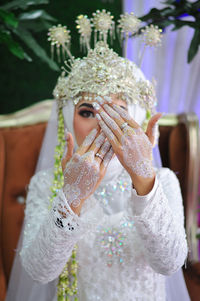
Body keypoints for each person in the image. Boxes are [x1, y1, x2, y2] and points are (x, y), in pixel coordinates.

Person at [6, 10, 190, 301]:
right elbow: (39, 271)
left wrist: (143, 178)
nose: (103, 124)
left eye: (117, 111)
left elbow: (169, 263)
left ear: (137, 117)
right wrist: (73, 196)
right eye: (88, 112)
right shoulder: (48, 184)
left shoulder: (162, 181)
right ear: (68, 119)